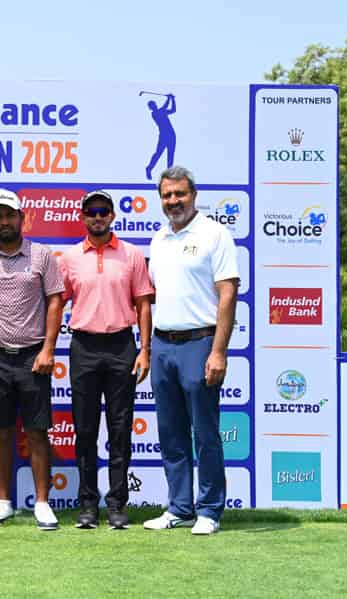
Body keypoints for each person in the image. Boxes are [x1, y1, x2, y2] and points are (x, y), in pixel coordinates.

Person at [143, 166, 239, 535]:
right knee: (171, 433)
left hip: (200, 344)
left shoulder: (215, 234)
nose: (173, 201)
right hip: (163, 345)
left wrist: (218, 352)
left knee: (205, 432)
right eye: (167, 195)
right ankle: (180, 508)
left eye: (179, 194)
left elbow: (227, 294)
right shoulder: (159, 238)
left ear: (194, 195)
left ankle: (210, 510)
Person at [0, 190, 65, 531]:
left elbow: (55, 301)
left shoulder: (42, 255)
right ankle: (3, 502)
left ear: (22, 218)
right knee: (1, 432)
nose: (4, 222)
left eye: (10, 215)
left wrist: (49, 349)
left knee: (37, 432)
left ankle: (42, 503)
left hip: (34, 356)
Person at [58, 190, 154, 529]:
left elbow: (143, 304)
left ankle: (116, 504)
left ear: (112, 215)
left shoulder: (132, 254)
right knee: (84, 430)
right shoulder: (69, 258)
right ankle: (87, 505)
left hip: (121, 346)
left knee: (120, 428)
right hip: (83, 346)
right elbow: (56, 303)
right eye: (91, 211)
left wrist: (145, 350)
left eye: (103, 211)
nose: (97, 217)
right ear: (82, 217)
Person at [144, 93, 176, 180]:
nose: (154, 106)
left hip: (171, 134)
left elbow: (173, 110)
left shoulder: (162, 111)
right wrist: (169, 98)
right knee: (158, 153)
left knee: (170, 154)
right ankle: (149, 168)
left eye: (154, 104)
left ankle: (169, 174)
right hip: (164, 135)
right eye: (152, 106)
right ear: (150, 108)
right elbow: (165, 106)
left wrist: (173, 100)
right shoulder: (155, 113)